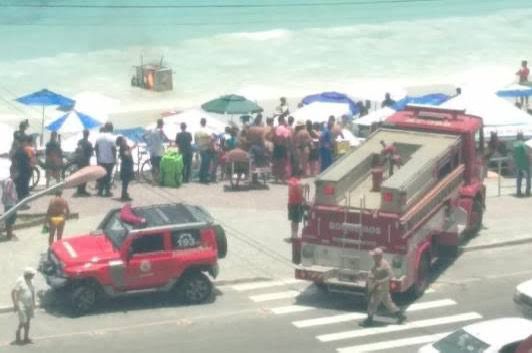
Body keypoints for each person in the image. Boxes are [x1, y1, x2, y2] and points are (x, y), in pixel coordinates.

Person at [361, 247, 406, 327]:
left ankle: (369, 320)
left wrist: (380, 281)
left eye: (374, 256)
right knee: (388, 303)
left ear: (378, 256)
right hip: (380, 288)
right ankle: (400, 315)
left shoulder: (384, 265)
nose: (373, 257)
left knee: (372, 304)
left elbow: (391, 276)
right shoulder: (377, 263)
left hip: (380, 288)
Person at [11, 267, 36, 345]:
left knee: (28, 321)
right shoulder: (20, 281)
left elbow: (32, 292)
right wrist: (15, 304)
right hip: (21, 304)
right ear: (27, 274)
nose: (33, 276)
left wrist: (34, 302)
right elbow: (13, 292)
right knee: (23, 321)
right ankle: (18, 332)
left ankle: (26, 338)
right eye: (32, 274)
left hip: (29, 304)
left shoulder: (31, 281)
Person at [144, 119, 169, 183]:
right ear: (161, 124)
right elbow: (166, 139)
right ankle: (157, 180)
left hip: (152, 150)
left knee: (154, 165)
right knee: (158, 166)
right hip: (159, 151)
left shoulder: (152, 130)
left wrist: (148, 144)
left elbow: (144, 137)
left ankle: (153, 179)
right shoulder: (161, 131)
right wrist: (172, 141)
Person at [95, 123, 116, 197]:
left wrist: (97, 158)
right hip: (109, 160)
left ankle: (100, 191)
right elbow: (113, 149)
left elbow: (96, 148)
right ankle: (107, 191)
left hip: (101, 160)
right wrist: (115, 159)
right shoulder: (112, 137)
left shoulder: (99, 137)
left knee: (101, 176)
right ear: (111, 129)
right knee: (108, 176)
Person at [286, 168, 307, 243]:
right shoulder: (298, 183)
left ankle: (293, 235)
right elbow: (300, 194)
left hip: (290, 203)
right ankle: (295, 237)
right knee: (296, 221)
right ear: (300, 175)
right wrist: (305, 201)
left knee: (292, 220)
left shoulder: (291, 181)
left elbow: (292, 192)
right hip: (297, 204)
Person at [74, 129, 94, 196]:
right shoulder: (89, 144)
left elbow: (78, 150)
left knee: (80, 175)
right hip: (86, 161)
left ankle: (79, 189)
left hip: (80, 161)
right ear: (88, 135)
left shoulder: (79, 142)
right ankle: (82, 190)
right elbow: (91, 153)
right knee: (85, 176)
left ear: (83, 134)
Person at [13, 136, 33, 203]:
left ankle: (22, 201)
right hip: (23, 170)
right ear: (22, 143)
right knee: (22, 186)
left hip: (24, 170)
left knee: (22, 186)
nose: (25, 143)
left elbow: (15, 160)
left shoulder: (20, 150)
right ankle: (21, 201)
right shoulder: (22, 151)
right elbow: (30, 159)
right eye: (24, 142)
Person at [195, 118, 214, 184]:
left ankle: (201, 177)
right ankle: (204, 178)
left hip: (200, 149)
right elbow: (211, 139)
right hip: (206, 149)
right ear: (205, 122)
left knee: (203, 163)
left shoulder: (197, 131)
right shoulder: (207, 130)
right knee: (206, 164)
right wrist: (211, 147)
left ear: (200, 122)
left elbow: (196, 141)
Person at [1, 166, 18, 240]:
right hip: (11, 203)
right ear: (14, 172)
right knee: (10, 220)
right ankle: (9, 235)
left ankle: (9, 234)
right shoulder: (10, 181)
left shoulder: (6, 180)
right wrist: (15, 199)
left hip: (8, 203)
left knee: (9, 219)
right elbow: (7, 191)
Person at [513, 132, 531, 197]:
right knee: (528, 179)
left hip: (518, 164)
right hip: (525, 164)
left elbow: (514, 155)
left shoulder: (515, 145)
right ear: (522, 137)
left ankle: (518, 192)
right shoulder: (523, 144)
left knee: (519, 179)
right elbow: (527, 153)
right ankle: (527, 192)